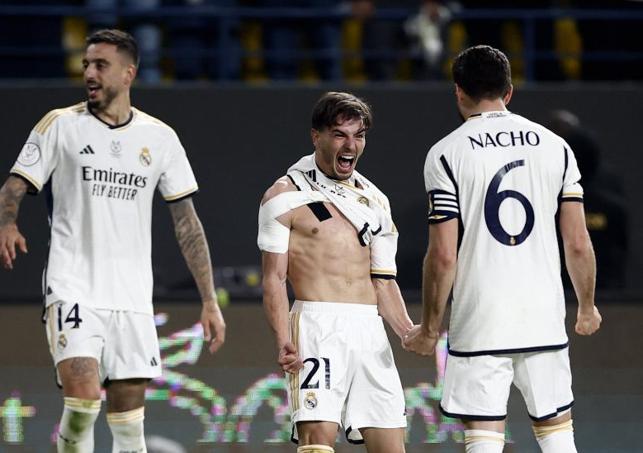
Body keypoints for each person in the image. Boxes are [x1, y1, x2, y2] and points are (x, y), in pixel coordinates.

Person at [0, 29, 226, 452]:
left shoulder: (160, 138)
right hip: (73, 286)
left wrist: (209, 299)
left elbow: (187, 224)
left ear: (128, 74)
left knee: (128, 424)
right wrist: (7, 224)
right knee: (83, 400)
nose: (89, 72)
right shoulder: (60, 125)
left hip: (132, 297)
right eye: (86, 64)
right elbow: (13, 186)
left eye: (100, 65)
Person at [403, 45, 601, 452]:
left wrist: (429, 328)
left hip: (481, 317)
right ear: (509, 92)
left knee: (484, 439)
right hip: (542, 315)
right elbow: (578, 243)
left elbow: (442, 256)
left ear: (459, 92)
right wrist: (586, 305)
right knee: (558, 436)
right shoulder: (556, 147)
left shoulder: (446, 154)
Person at [259, 91, 412, 453]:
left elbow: (384, 280)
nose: (351, 144)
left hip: (369, 330)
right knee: (317, 443)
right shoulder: (284, 195)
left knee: (391, 445)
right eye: (341, 134)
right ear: (317, 136)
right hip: (316, 326)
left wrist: (407, 331)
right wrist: (283, 337)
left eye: (358, 135)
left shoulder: (376, 200)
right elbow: (273, 278)